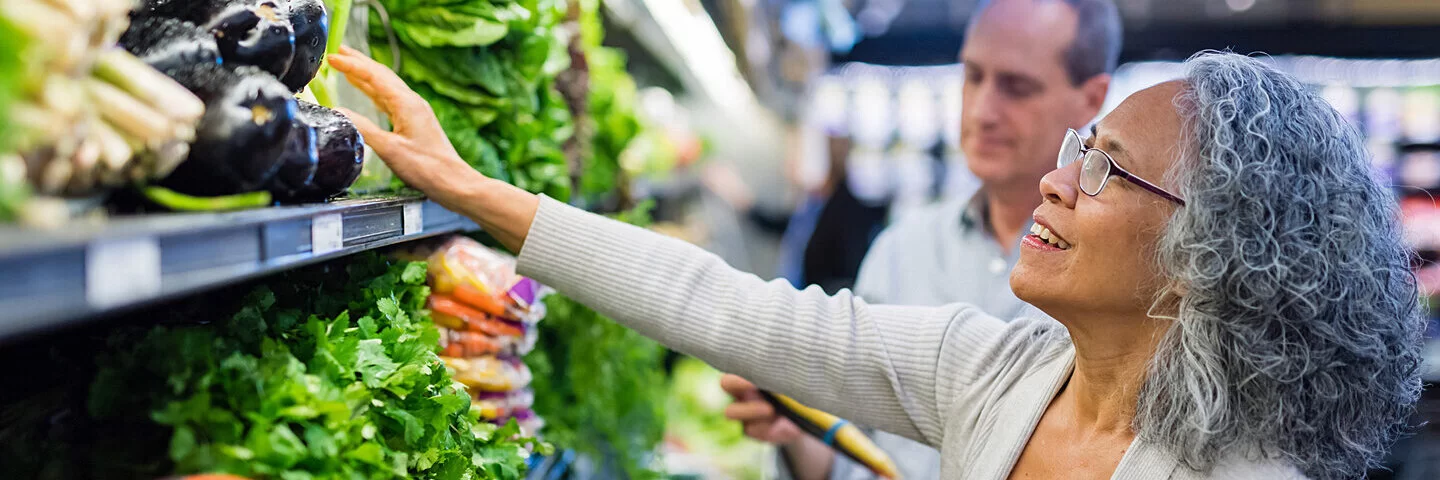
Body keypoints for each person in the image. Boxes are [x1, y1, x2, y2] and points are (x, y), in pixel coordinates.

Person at [329, 45, 1423, 480]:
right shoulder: (989, 373)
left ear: (1200, 259)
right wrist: (476, 195)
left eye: (1106, 169)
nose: (1053, 179)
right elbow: (720, 305)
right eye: (1079, 151)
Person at [724, 0, 1120, 477]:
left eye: (1017, 87)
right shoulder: (900, 250)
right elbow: (852, 457)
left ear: (1091, 98)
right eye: (973, 76)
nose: (982, 110)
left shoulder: (1113, 282)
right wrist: (794, 426)